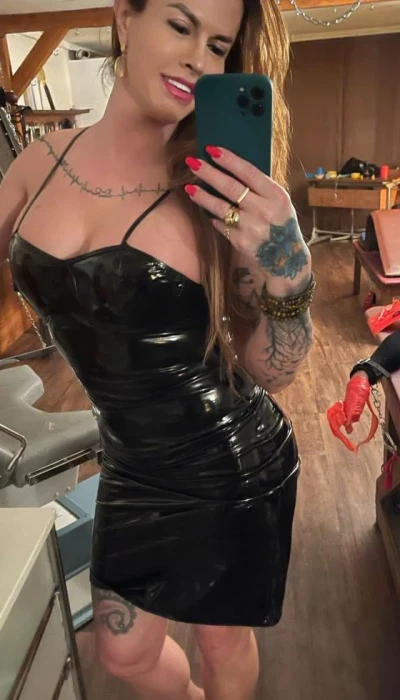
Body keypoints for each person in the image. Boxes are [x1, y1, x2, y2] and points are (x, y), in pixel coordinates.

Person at [0, 1, 314, 698]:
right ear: (124, 18)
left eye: (219, 45)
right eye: (180, 25)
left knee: (222, 642)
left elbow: (274, 370)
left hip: (228, 463)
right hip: (129, 461)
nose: (199, 58)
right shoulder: (36, 163)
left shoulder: (218, 190)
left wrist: (288, 275)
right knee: (124, 655)